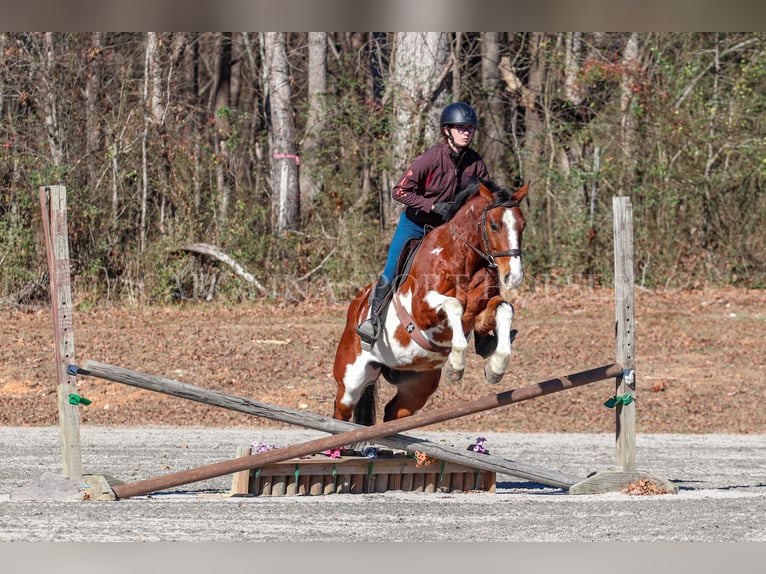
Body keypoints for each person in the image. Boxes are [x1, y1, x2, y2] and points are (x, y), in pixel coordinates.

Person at [356, 102, 490, 349]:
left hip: (449, 229)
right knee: (393, 267)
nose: (466, 133)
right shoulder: (429, 159)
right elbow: (399, 191)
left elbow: (484, 196)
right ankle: (373, 321)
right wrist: (432, 205)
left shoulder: (475, 163)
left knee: (482, 267)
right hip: (416, 223)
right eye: (460, 128)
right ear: (447, 131)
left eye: (469, 128)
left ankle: (484, 333)